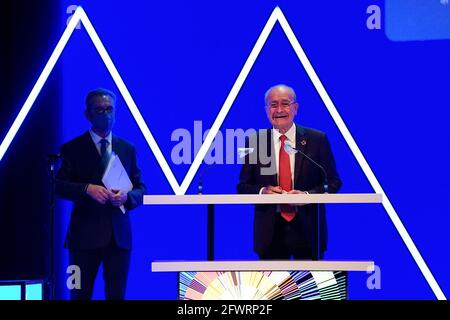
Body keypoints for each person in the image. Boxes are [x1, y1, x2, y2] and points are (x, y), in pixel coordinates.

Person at [56, 88, 146, 300]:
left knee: (117, 295)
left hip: (119, 239)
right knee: (79, 295)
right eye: (99, 110)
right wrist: (87, 189)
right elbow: (58, 186)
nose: (106, 114)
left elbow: (141, 188)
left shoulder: (127, 149)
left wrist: (127, 197)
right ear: (88, 114)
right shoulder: (72, 148)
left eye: (109, 109)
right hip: (83, 239)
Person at [237, 84, 341, 260]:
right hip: (270, 231)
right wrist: (264, 192)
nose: (279, 110)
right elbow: (243, 186)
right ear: (266, 110)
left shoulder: (317, 139)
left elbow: (333, 182)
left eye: (285, 104)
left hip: (308, 228)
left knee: (311, 287)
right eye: (273, 104)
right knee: (273, 288)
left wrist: (307, 195)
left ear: (295, 108)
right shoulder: (255, 141)